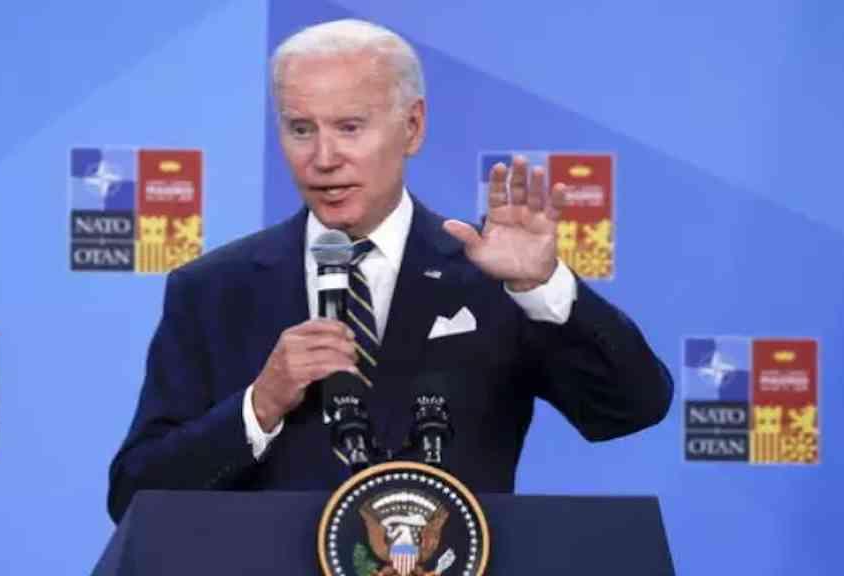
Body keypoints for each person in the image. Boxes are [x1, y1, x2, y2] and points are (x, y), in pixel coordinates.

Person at [107, 19, 672, 523]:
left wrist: (541, 287)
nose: (323, 158)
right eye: (301, 129)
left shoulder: (490, 276)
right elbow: (134, 495)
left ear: (413, 126)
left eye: (350, 127)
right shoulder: (213, 289)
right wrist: (259, 405)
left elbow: (632, 408)